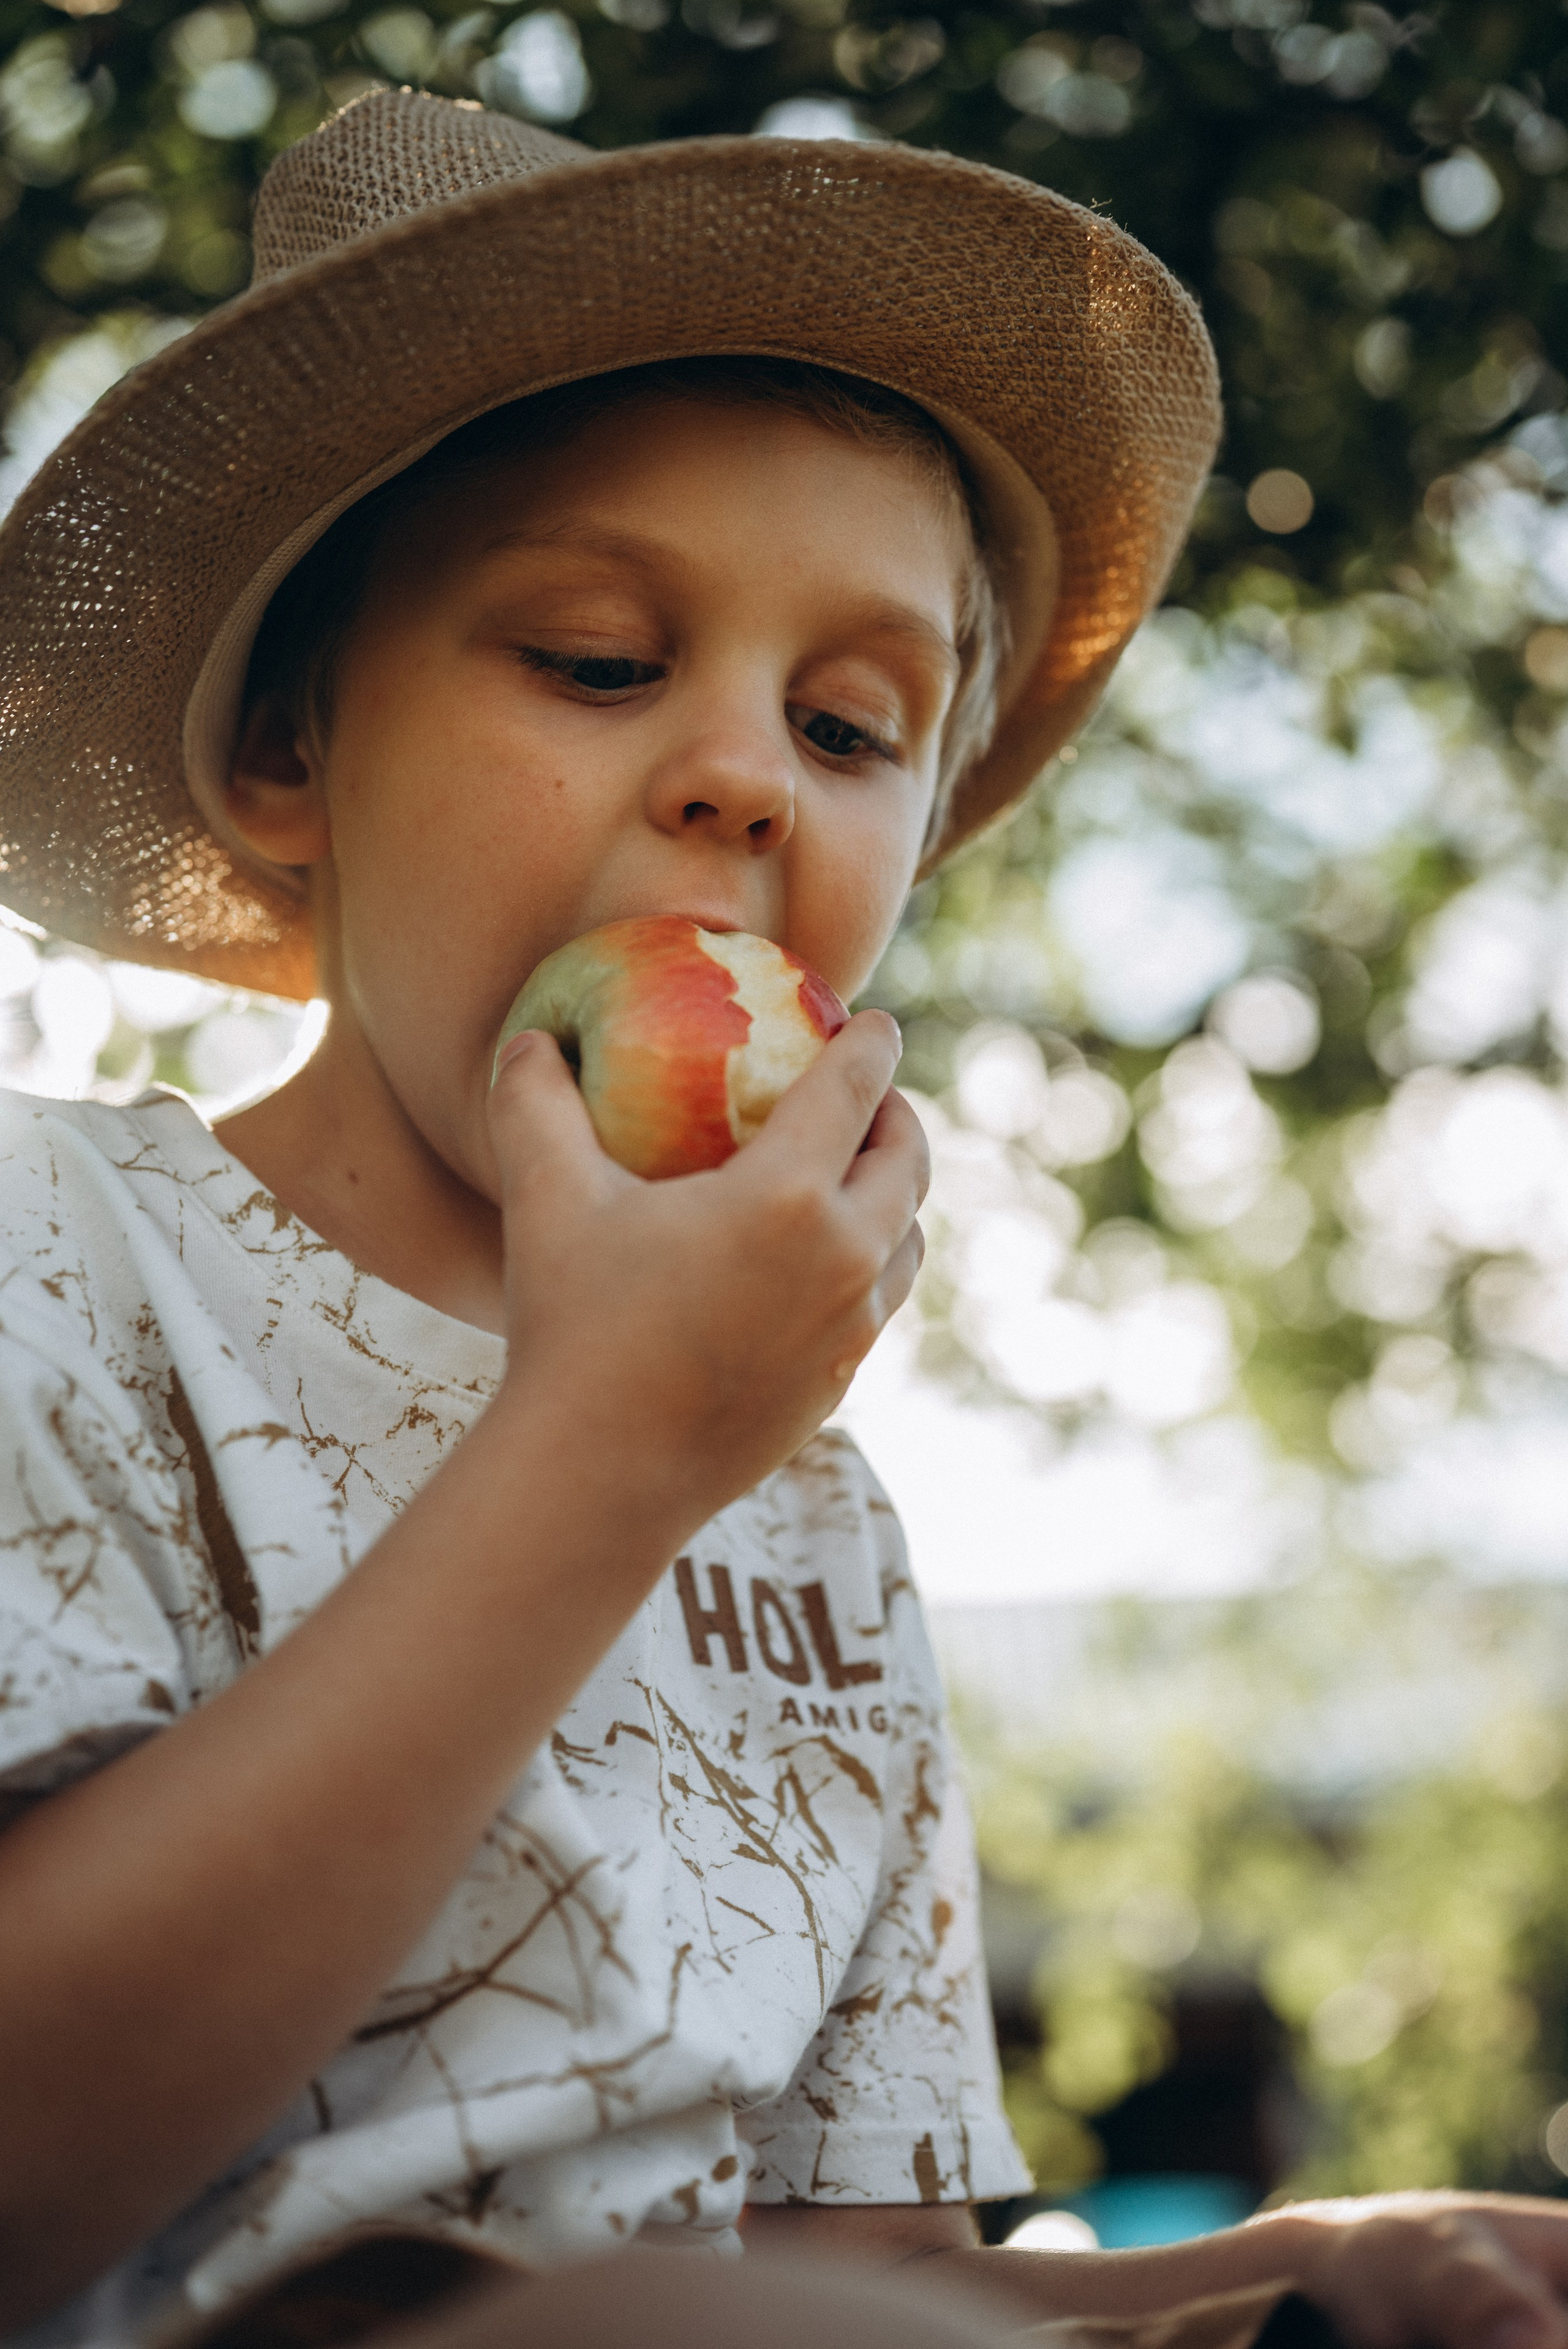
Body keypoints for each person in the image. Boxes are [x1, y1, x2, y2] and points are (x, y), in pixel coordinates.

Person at [0, 88, 1564, 2349]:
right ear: (288, 750)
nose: (742, 771)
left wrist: (1300, 2269)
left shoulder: (816, 1524)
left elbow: (883, 2292)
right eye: (602, 661)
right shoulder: (63, 1252)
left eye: (848, 724)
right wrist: (608, 1447)